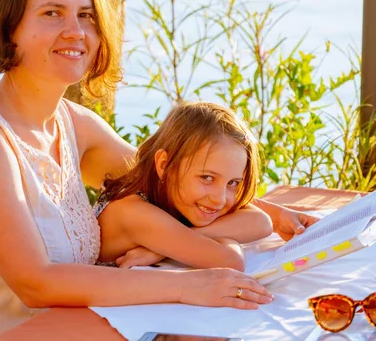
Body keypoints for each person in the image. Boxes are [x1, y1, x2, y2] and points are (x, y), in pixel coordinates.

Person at [0, 0, 317, 340]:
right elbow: (36, 283)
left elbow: (171, 183)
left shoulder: (75, 125)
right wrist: (189, 286)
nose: (76, 31)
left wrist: (268, 209)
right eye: (52, 13)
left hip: (77, 328)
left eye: (86, 15)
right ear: (9, 27)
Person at [97, 101, 274, 270]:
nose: (219, 199)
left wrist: (160, 250)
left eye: (232, 182)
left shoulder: (175, 198)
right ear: (164, 165)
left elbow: (262, 222)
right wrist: (175, 245)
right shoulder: (134, 212)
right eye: (207, 178)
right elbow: (230, 260)